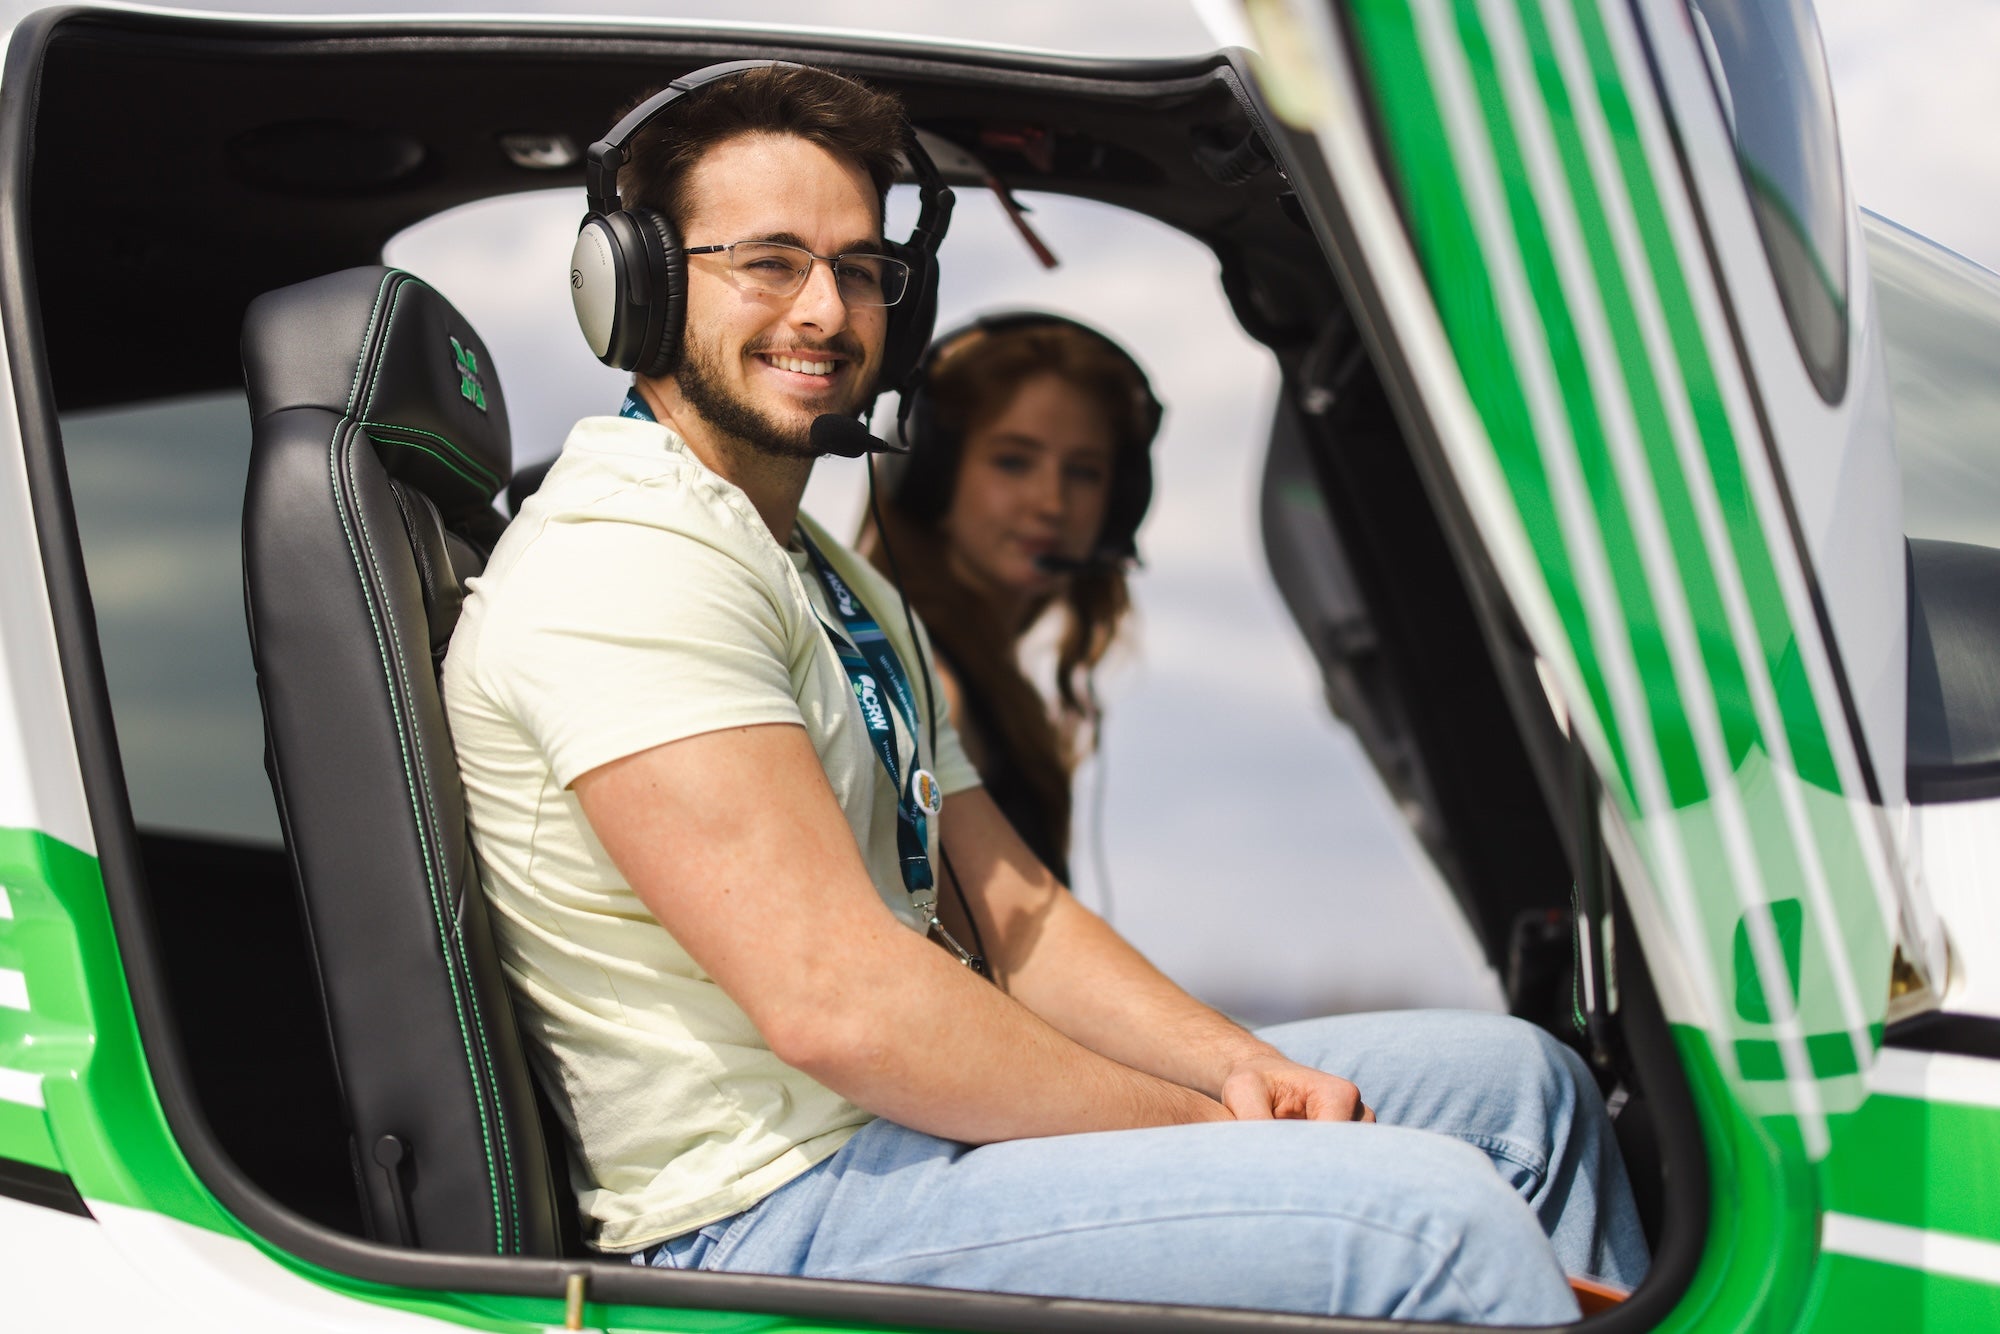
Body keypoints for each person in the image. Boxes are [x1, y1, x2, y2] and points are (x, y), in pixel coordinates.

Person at [441, 61, 1648, 1324]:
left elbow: (1013, 913)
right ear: (634, 283)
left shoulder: (822, 569)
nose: (826, 310)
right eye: (769, 261)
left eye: (858, 270)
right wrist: (1217, 1133)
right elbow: (839, 1005)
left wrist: (1239, 1065)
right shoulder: (625, 562)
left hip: (897, 1139)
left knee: (1516, 1088)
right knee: (1433, 1223)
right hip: (769, 1209)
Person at [858, 313, 1158, 887]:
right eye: (1013, 461)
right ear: (931, 475)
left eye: (1085, 472)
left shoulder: (968, 677)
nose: (1051, 502)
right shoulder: (934, 690)